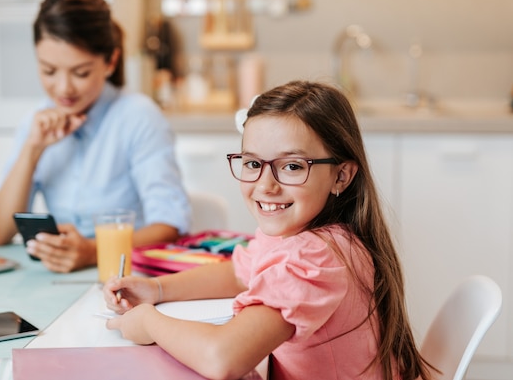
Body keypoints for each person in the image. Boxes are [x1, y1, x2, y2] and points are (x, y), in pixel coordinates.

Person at [103, 80, 434, 380]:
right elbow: (240, 273)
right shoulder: (313, 237)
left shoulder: (312, 257)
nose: (265, 185)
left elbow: (222, 358)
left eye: (291, 166)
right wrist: (156, 289)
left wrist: (149, 322)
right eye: (252, 163)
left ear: (341, 176)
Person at [0, 0, 190, 273]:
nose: (64, 88)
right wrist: (32, 149)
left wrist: (93, 251)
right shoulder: (38, 121)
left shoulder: (138, 117)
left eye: (80, 73)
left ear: (110, 62)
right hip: (56, 284)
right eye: (49, 71)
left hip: (127, 280)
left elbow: (169, 227)